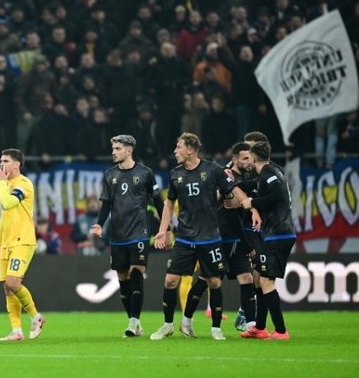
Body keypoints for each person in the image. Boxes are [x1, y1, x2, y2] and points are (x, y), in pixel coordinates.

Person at [150, 133, 260, 341]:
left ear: (190, 149)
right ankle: (167, 325)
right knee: (171, 280)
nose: (175, 151)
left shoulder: (213, 170)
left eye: (178, 147)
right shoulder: (175, 174)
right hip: (184, 237)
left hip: (209, 238)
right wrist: (163, 230)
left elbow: (234, 189)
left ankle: (216, 328)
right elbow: (169, 204)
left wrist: (251, 208)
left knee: (214, 282)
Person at [90, 134, 164, 338]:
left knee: (136, 271)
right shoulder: (109, 175)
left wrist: (164, 228)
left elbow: (158, 202)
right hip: (118, 234)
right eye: (113, 148)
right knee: (122, 275)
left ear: (129, 150)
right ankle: (133, 321)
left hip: (139, 231)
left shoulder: (146, 173)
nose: (113, 152)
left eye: (118, 149)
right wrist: (99, 224)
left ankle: (134, 321)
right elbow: (106, 204)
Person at [240, 141, 295, 340]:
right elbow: (253, 185)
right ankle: (260, 327)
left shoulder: (268, 173)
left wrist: (252, 202)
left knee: (266, 281)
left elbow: (278, 195)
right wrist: (234, 183)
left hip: (278, 233)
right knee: (258, 276)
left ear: (253, 157)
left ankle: (281, 330)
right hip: (277, 233)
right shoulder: (273, 171)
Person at [0, 148, 45, 341]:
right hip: (7, 242)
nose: (2, 164)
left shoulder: (24, 184)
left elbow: (8, 204)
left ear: (17, 164)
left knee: (13, 282)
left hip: (22, 241)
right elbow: (4, 216)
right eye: (1, 160)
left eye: (6, 161)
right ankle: (16, 331)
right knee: (7, 288)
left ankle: (36, 317)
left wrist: (0, 183)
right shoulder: (6, 184)